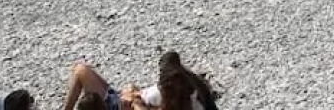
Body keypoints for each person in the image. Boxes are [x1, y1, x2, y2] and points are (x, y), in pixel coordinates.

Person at [61, 50, 219, 110]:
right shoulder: (188, 92)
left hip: (118, 105)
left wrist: (135, 102)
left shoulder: (178, 97)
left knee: (80, 71)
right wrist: (133, 91)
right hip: (123, 98)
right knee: (80, 69)